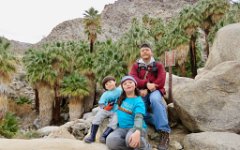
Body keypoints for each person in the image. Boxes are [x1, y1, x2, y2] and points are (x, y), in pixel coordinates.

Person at [129, 43, 170, 150]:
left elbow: (161, 80)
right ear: (140, 53)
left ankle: (164, 132)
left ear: (151, 52)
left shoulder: (158, 65)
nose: (145, 52)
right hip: (142, 90)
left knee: (155, 99)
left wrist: (148, 88)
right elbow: (133, 78)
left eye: (147, 50)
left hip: (155, 90)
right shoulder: (136, 66)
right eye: (143, 50)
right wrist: (145, 84)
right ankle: (159, 122)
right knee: (140, 109)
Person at [106, 75, 151, 150]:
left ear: (135, 85)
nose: (128, 84)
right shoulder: (120, 98)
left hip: (136, 128)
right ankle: (132, 147)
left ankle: (145, 147)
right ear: (122, 87)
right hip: (122, 128)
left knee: (129, 138)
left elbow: (139, 117)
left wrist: (137, 131)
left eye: (130, 82)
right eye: (125, 84)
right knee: (111, 141)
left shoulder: (138, 101)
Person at [84, 76, 122, 144]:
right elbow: (101, 104)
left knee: (115, 121)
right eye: (106, 84)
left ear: (115, 82)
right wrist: (105, 107)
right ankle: (92, 136)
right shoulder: (105, 94)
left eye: (110, 82)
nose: (109, 84)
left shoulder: (120, 90)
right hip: (106, 110)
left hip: (117, 110)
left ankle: (104, 136)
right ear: (105, 87)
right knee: (98, 117)